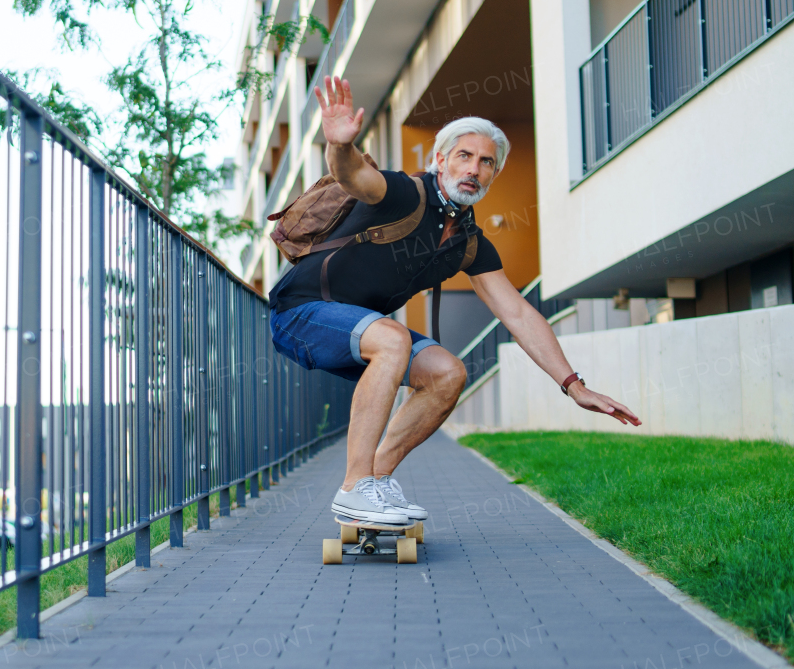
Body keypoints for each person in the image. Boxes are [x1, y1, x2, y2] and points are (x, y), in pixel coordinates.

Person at [269, 76, 640, 525]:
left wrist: (574, 386)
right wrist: (339, 147)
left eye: (486, 162)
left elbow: (518, 313)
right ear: (440, 159)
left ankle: (377, 480)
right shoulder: (405, 193)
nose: (474, 168)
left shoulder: (470, 244)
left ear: (494, 174)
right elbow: (355, 177)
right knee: (391, 338)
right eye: (464, 156)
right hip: (299, 314)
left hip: (360, 328)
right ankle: (354, 488)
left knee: (448, 373)